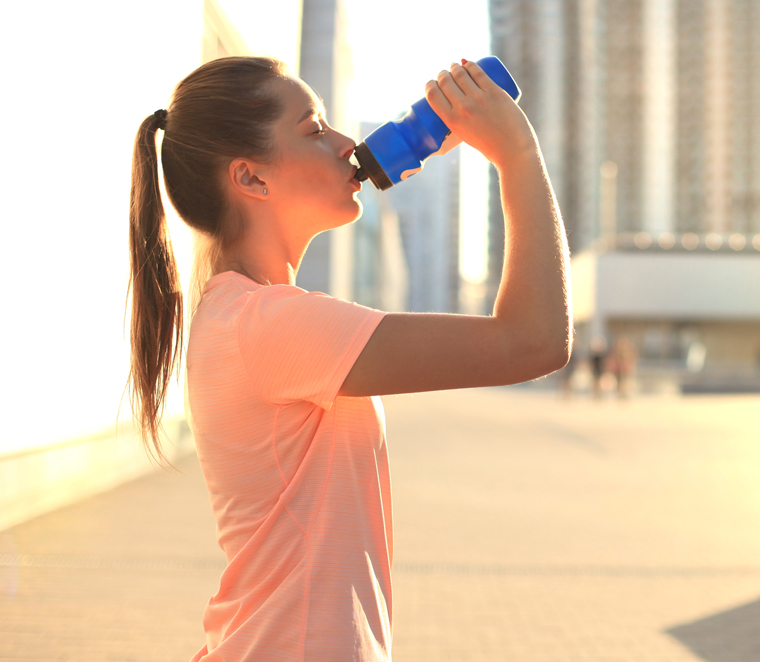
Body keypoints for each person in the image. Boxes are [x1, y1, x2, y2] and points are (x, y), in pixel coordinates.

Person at [127, 56, 570, 662]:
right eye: (313, 130)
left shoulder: (245, 316)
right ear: (253, 179)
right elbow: (533, 340)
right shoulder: (271, 325)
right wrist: (516, 152)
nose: (344, 144)